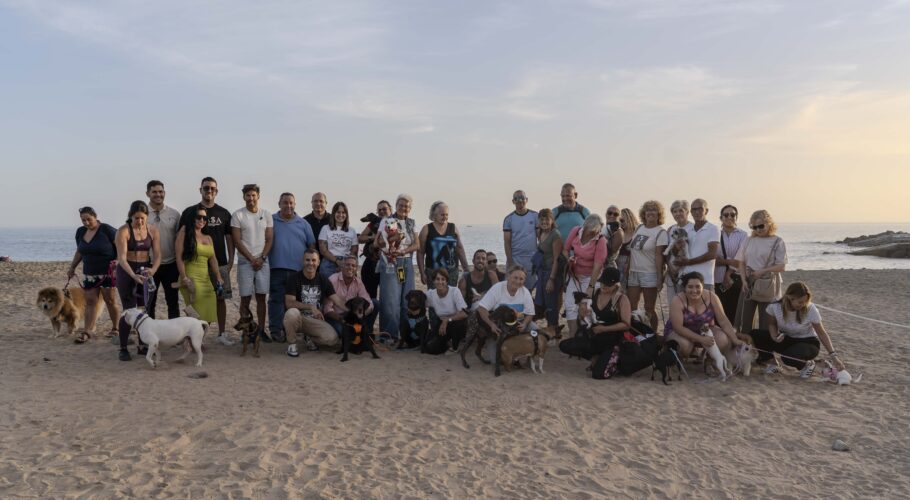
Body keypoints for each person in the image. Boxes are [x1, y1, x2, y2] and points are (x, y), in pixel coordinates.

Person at [179, 177, 235, 346]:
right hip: (194, 266)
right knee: (195, 302)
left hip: (219, 263)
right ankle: (194, 335)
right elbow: (180, 242)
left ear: (216, 191)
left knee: (220, 299)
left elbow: (229, 238)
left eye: (212, 188)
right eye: (206, 188)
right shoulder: (190, 212)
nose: (209, 191)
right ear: (200, 190)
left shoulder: (224, 213)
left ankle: (221, 333)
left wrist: (231, 261)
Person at [749, 282, 845, 377]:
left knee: (788, 357)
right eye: (800, 302)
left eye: (805, 301)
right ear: (790, 298)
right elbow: (772, 324)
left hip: (808, 343)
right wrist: (774, 336)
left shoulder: (811, 309)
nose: (803, 304)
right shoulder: (775, 307)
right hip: (787, 339)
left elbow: (822, 333)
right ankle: (773, 363)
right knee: (755, 334)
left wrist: (834, 357)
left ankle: (807, 365)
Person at [114, 201, 161, 361]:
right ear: (131, 216)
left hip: (145, 270)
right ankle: (123, 347)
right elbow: (121, 258)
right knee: (128, 310)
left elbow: (158, 254)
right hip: (127, 270)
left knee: (143, 310)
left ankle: (142, 345)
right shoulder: (124, 231)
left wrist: (153, 270)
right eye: (136, 218)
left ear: (147, 217)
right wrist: (133, 276)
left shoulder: (152, 230)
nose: (139, 221)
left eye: (142, 218)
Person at [268, 192, 316, 342]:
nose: (288, 205)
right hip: (276, 268)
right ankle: (276, 330)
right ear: (279, 204)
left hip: (298, 271)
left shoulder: (303, 224)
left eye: (291, 203)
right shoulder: (271, 220)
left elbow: (311, 246)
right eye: (285, 202)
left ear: (295, 205)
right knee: (276, 300)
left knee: (296, 302)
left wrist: (311, 268)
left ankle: (295, 329)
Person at [67, 207, 119, 342]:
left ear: (95, 216)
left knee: (110, 300)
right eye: (83, 220)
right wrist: (72, 267)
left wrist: (118, 261)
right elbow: (80, 251)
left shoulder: (106, 230)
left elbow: (120, 246)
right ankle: (87, 331)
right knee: (90, 301)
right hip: (89, 272)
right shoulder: (80, 232)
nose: (86, 223)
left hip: (107, 272)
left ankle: (116, 328)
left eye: (89, 219)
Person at [663, 272, 742, 360]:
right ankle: (676, 359)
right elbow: (678, 328)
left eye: (698, 287)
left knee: (722, 340)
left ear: (703, 287)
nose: (694, 290)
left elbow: (723, 320)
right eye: (690, 287)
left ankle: (709, 360)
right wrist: (700, 339)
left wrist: (735, 339)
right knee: (685, 346)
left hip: (704, 329)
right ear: (684, 288)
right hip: (680, 332)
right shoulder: (677, 300)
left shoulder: (712, 297)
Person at [283, 248, 348, 357]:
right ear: (303, 261)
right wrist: (310, 307)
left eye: (313, 260)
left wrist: (353, 311)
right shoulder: (293, 278)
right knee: (291, 313)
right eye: (307, 260)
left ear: (318, 262)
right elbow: (289, 303)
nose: (310, 263)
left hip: (314, 320)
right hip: (298, 318)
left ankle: (309, 338)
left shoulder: (323, 279)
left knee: (332, 339)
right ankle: (292, 344)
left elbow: (337, 300)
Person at [558, 268, 631, 362]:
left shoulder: (621, 298)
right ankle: (594, 356)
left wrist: (604, 329)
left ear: (615, 285)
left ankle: (603, 357)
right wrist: (582, 313)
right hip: (594, 333)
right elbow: (583, 317)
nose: (603, 286)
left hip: (612, 336)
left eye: (608, 284)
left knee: (599, 370)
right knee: (564, 345)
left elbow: (626, 325)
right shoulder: (595, 292)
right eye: (602, 283)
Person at [373, 194, 419, 343]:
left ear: (410, 208)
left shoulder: (411, 223)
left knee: (407, 300)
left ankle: (404, 334)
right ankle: (388, 335)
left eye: (406, 206)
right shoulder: (387, 220)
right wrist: (394, 238)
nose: (403, 208)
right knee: (390, 301)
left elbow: (417, 245)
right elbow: (377, 243)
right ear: (396, 205)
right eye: (401, 205)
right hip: (390, 262)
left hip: (406, 262)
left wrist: (403, 251)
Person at [231, 184, 274, 341]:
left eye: (253, 195)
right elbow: (237, 241)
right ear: (244, 197)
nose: (251, 198)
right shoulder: (238, 215)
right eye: (248, 195)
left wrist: (262, 258)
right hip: (245, 262)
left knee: (262, 297)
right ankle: (246, 332)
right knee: (245, 298)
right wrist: (251, 259)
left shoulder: (266, 214)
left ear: (258, 196)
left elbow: (269, 239)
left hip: (263, 261)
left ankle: (261, 330)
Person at [736, 210, 788, 332]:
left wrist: (763, 271)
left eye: (761, 226)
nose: (758, 229)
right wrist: (743, 280)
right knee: (744, 321)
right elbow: (741, 262)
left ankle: (764, 344)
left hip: (768, 283)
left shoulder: (777, 241)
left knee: (766, 323)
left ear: (769, 223)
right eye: (754, 227)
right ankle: (746, 344)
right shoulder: (748, 240)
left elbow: (782, 266)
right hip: (749, 282)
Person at [562, 214, 608, 338]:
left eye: (595, 231)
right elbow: (565, 250)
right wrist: (569, 258)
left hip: (591, 276)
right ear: (585, 226)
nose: (592, 234)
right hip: (575, 275)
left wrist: (591, 286)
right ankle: (573, 335)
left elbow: (598, 265)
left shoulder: (601, 240)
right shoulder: (576, 231)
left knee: (586, 306)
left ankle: (586, 336)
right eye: (590, 231)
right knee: (570, 305)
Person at [175, 207, 222, 324]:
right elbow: (179, 257)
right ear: (192, 218)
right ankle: (193, 335)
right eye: (199, 217)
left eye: (205, 218)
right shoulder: (184, 233)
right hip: (190, 278)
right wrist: (184, 278)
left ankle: (201, 335)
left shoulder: (208, 238)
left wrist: (218, 276)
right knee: (195, 314)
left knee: (209, 310)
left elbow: (213, 259)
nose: (202, 220)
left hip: (206, 280)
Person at [627, 200, 668, 331]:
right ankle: (635, 333)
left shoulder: (661, 232)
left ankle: (653, 334)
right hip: (634, 272)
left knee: (649, 308)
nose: (650, 212)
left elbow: (659, 256)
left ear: (659, 214)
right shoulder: (639, 228)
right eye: (648, 210)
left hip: (649, 273)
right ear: (643, 213)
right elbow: (632, 251)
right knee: (631, 306)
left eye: (654, 210)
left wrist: (660, 278)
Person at [145, 180, 181, 319]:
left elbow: (180, 239)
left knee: (172, 302)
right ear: (148, 193)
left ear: (164, 193)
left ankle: (175, 330)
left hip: (171, 265)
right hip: (149, 265)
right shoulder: (143, 214)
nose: (158, 194)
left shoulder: (175, 214)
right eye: (154, 192)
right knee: (149, 302)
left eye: (160, 191)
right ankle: (149, 329)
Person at [324, 255, 378, 339]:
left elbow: (369, 303)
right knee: (344, 333)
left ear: (356, 269)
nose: (350, 268)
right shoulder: (333, 280)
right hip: (336, 316)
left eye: (353, 266)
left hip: (352, 315)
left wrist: (360, 315)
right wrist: (342, 319)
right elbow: (327, 309)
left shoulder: (358, 282)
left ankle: (367, 332)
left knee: (375, 303)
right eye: (347, 265)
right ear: (342, 267)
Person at [418, 201, 469, 287]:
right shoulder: (426, 229)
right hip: (433, 272)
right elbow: (420, 252)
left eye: (446, 215)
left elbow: (460, 249)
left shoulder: (453, 227)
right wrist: (422, 273)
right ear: (434, 215)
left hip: (452, 272)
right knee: (434, 295)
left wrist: (466, 269)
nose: (445, 217)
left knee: (451, 294)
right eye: (442, 215)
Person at [476, 265, 537, 335]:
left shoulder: (525, 292)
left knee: (536, 330)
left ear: (524, 281)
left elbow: (530, 313)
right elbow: (482, 308)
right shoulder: (497, 288)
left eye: (521, 279)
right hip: (500, 324)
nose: (518, 281)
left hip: (519, 322)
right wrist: (491, 324)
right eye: (515, 277)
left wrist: (525, 324)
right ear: (508, 276)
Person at [677, 198, 720, 291]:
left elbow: (712, 254)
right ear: (691, 212)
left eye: (700, 209)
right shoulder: (687, 230)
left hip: (704, 280)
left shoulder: (713, 228)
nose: (697, 212)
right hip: (685, 279)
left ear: (706, 211)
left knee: (706, 301)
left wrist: (689, 262)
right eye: (694, 209)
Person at [714, 205, 747, 322]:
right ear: (721, 218)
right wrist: (730, 261)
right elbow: (713, 259)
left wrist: (727, 272)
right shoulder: (715, 234)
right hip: (717, 279)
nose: (729, 217)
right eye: (726, 215)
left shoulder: (743, 235)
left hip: (736, 278)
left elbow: (741, 260)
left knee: (734, 313)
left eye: (732, 215)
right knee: (719, 314)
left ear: (736, 217)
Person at [424, 268, 469, 355]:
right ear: (433, 281)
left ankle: (455, 347)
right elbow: (420, 302)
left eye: (443, 279)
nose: (440, 282)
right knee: (431, 348)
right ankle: (447, 343)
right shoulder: (431, 294)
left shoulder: (454, 291)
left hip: (457, 322)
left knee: (456, 325)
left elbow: (464, 313)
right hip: (442, 324)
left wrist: (447, 320)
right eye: (437, 279)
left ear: (447, 281)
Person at [533, 208, 563, 330]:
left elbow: (556, 259)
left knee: (551, 305)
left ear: (552, 220)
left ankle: (554, 329)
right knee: (544, 302)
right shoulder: (540, 232)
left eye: (547, 219)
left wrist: (551, 279)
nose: (544, 222)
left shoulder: (555, 235)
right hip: (542, 272)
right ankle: (550, 328)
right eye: (542, 219)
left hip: (552, 273)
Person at [503, 190, 539, 289]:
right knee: (513, 287)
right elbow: (507, 242)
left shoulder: (535, 216)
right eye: (516, 199)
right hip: (515, 258)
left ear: (526, 200)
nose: (519, 201)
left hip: (531, 258)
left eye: (522, 198)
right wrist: (510, 261)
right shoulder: (509, 219)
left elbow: (540, 238)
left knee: (529, 288)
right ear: (513, 201)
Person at [359, 200, 392, 299]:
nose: (382, 211)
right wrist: (373, 237)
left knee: (388, 296)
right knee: (369, 296)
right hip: (371, 263)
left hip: (388, 262)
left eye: (384, 209)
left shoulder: (394, 222)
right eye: (379, 210)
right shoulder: (374, 223)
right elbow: (360, 238)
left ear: (390, 209)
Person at [318, 201, 358, 278]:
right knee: (327, 285)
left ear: (346, 215)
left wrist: (345, 263)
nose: (341, 215)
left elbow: (354, 251)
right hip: (329, 263)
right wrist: (337, 261)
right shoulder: (325, 228)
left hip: (347, 263)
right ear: (333, 214)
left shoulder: (352, 230)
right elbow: (323, 250)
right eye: (338, 212)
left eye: (343, 212)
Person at [664, 200, 692, 294]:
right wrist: (670, 268)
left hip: (687, 272)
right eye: (674, 211)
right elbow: (667, 252)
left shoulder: (693, 228)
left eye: (681, 211)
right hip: (672, 271)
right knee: (672, 300)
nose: (677, 214)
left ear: (687, 212)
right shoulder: (670, 229)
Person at [615, 207, 639, 289]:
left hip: (632, 266)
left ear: (629, 219)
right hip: (617, 266)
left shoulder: (637, 233)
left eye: (622, 220)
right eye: (618, 221)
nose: (620, 223)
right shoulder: (618, 232)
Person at [601, 205, 624, 269]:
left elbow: (611, 252)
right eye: (610, 213)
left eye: (615, 214)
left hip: (608, 266)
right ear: (606, 214)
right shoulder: (602, 227)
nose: (612, 216)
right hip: (598, 264)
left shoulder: (619, 232)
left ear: (619, 217)